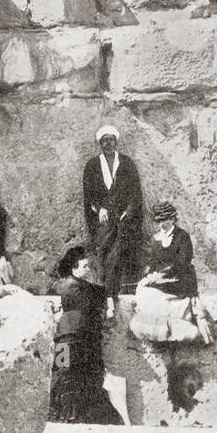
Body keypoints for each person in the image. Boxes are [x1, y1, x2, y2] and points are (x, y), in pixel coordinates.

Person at [48, 244, 123, 425]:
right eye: (85, 267)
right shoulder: (73, 287)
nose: (89, 269)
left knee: (63, 375)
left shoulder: (66, 284)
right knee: (68, 376)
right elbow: (96, 297)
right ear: (74, 269)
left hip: (64, 340)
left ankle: (61, 416)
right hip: (72, 340)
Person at [82, 125, 144, 319]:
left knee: (119, 253)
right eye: (104, 141)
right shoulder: (92, 165)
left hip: (124, 219)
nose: (108, 144)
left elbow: (135, 191)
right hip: (103, 220)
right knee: (104, 254)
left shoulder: (126, 163)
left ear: (116, 142)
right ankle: (106, 294)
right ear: (100, 143)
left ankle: (113, 295)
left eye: (111, 140)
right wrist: (99, 208)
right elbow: (88, 192)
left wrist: (128, 211)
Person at [131, 201, 213, 345]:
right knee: (144, 290)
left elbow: (183, 262)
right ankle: (158, 332)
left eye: (165, 220)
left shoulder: (182, 236)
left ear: (173, 218)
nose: (162, 224)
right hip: (161, 280)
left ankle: (176, 330)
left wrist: (161, 275)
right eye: (159, 221)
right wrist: (148, 277)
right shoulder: (156, 238)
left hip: (180, 278)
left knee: (157, 296)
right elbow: (154, 264)